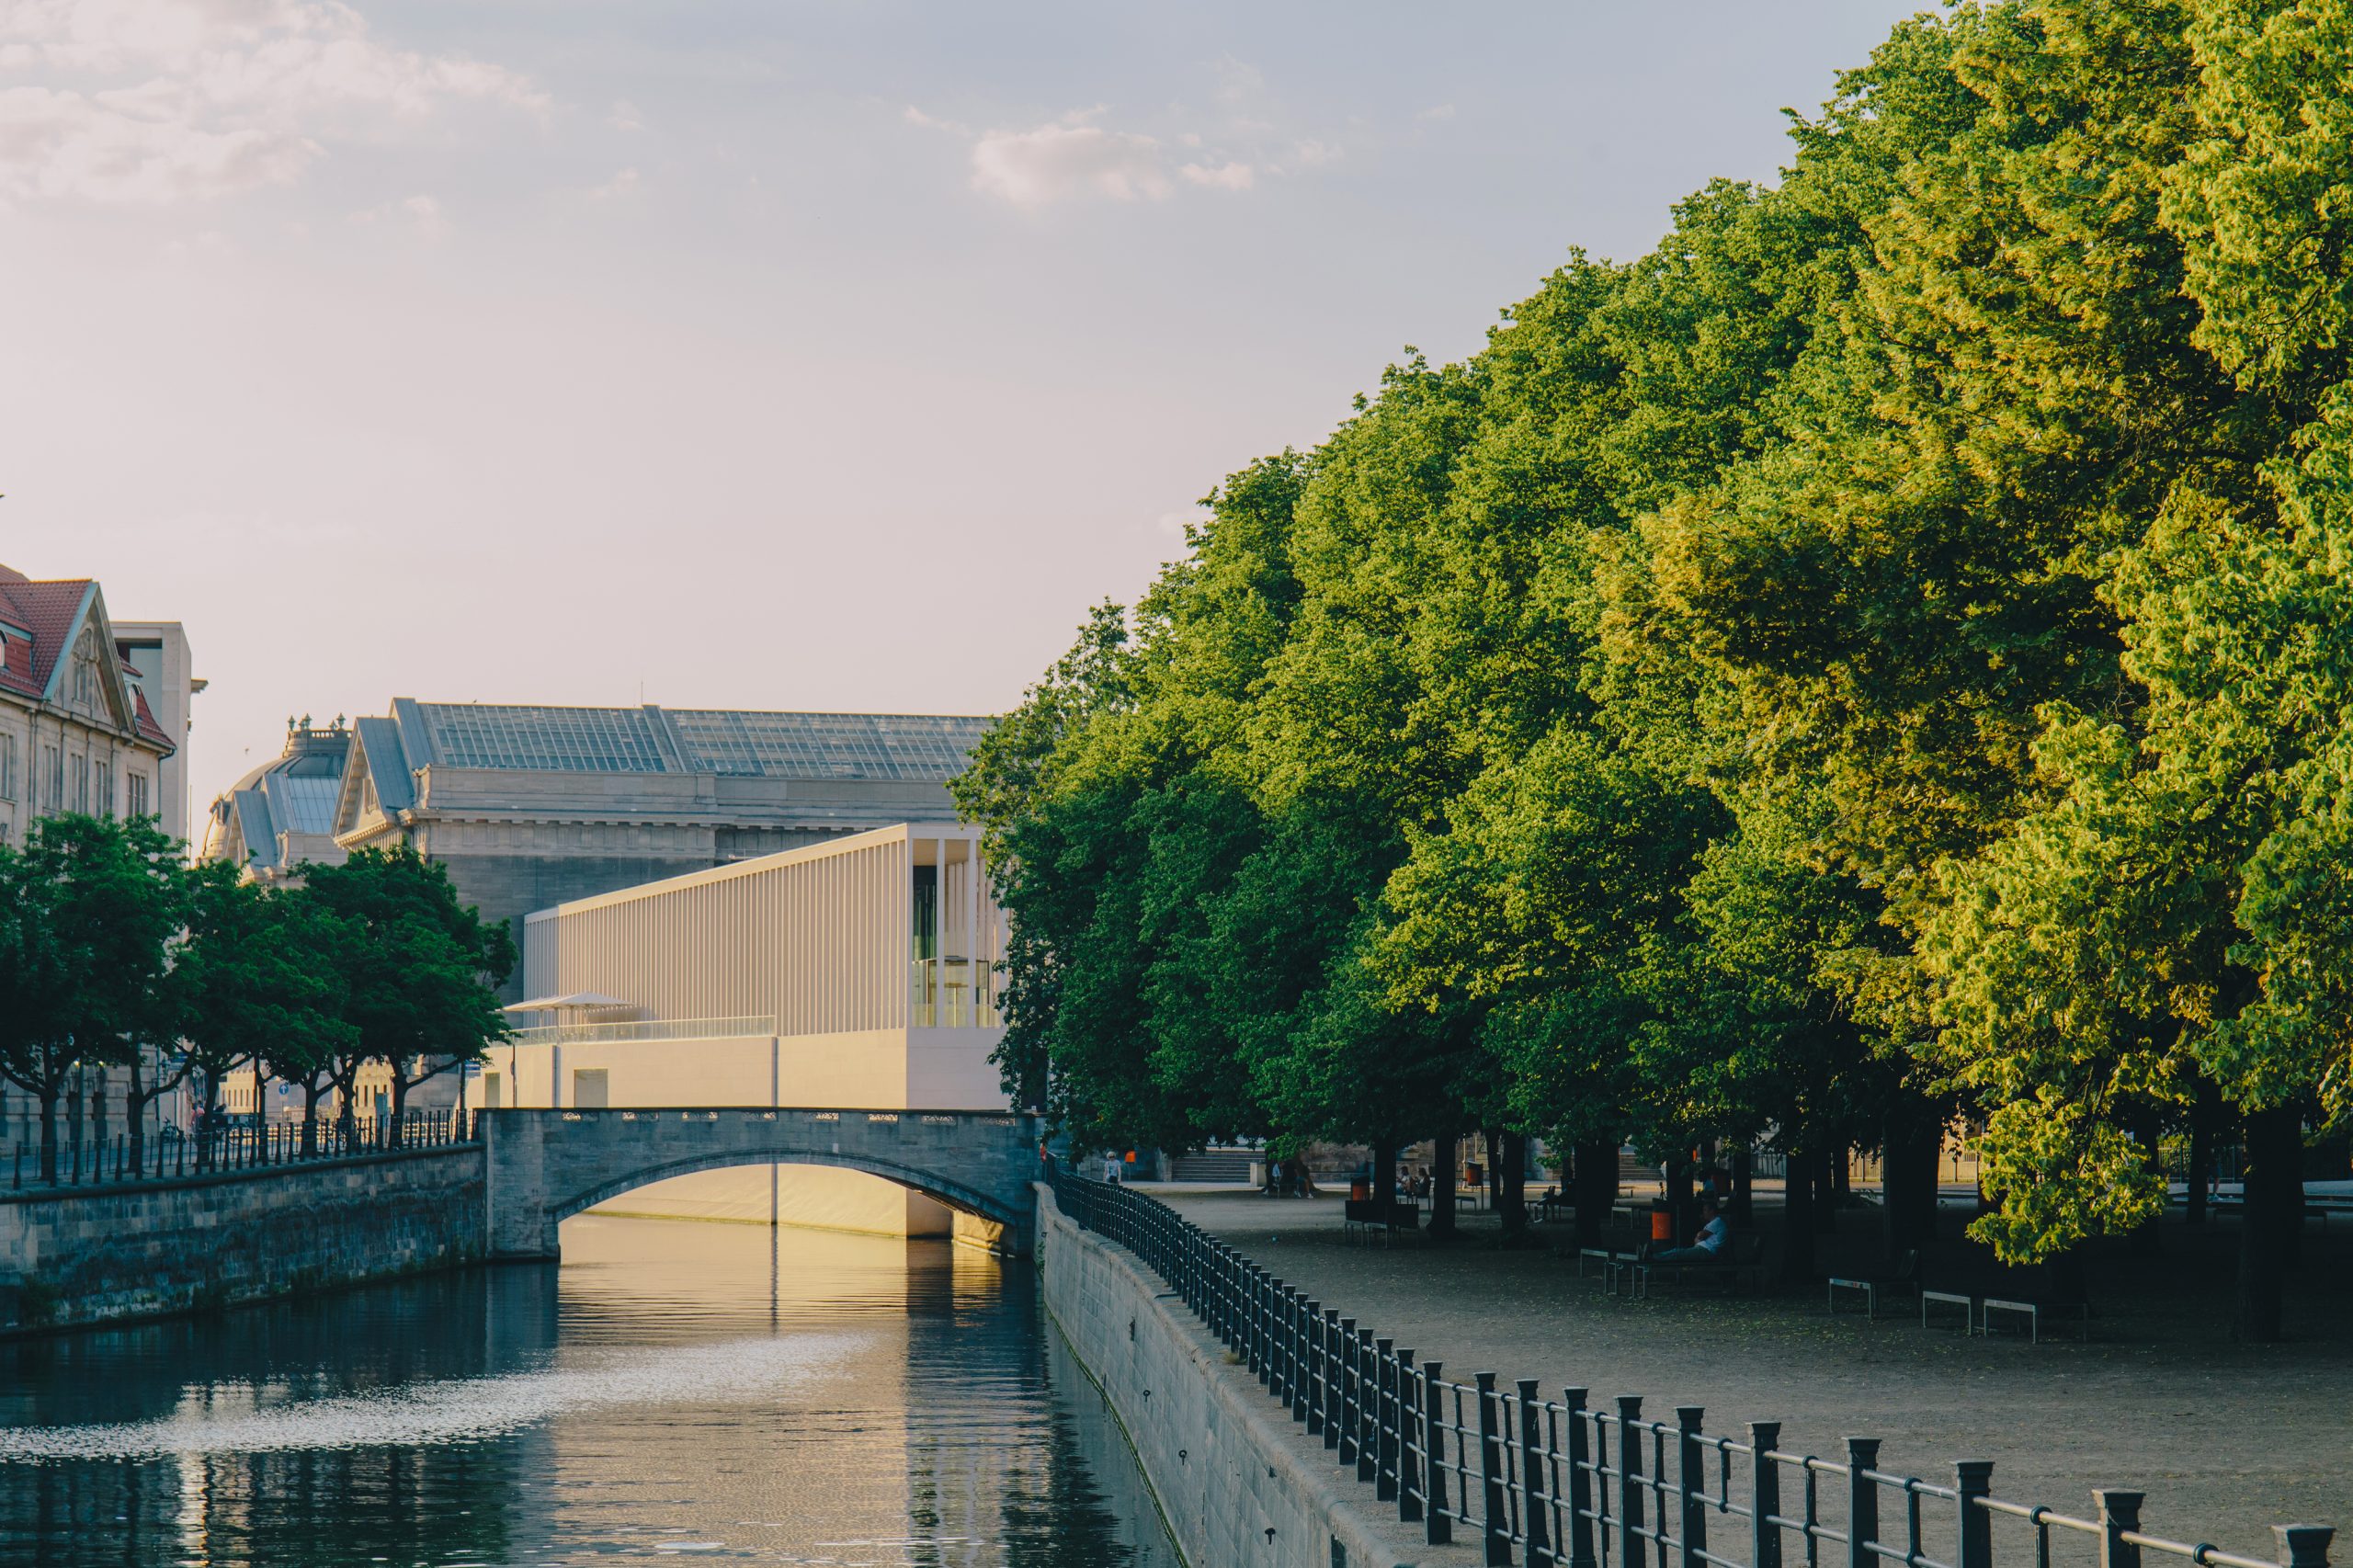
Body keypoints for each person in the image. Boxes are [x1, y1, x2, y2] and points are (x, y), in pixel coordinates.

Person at [1647, 1198, 1730, 1264]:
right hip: (1703, 1249)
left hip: (1706, 1251)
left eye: (1705, 1210)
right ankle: (1654, 1256)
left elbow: (1700, 1236)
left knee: (1678, 1253)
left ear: (1711, 1211)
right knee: (1678, 1251)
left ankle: (1653, 1257)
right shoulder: (1713, 1223)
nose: (1703, 1213)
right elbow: (1698, 1239)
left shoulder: (1717, 1222)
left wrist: (1698, 1238)